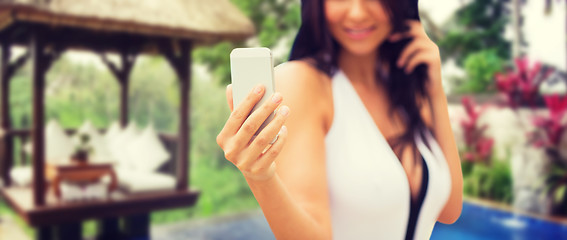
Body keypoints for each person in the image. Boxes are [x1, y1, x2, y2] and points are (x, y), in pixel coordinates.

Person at [216, 0, 463, 239]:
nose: (357, 13)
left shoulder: (406, 90)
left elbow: (448, 210)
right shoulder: (302, 83)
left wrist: (434, 90)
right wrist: (260, 177)